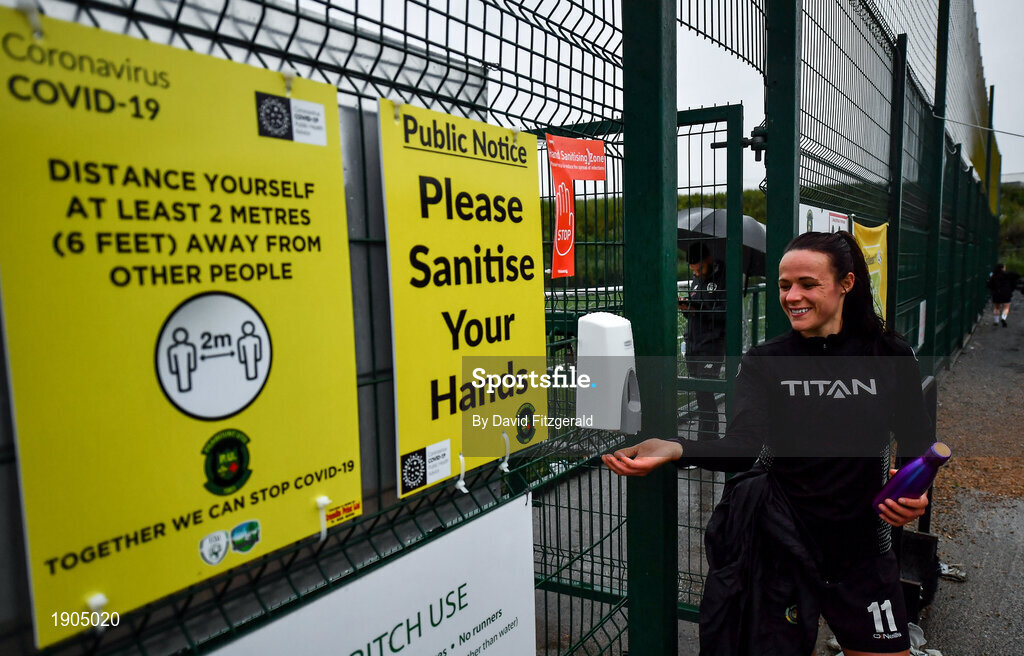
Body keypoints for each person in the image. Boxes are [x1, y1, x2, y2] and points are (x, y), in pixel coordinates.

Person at [606, 231, 931, 656]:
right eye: (784, 285)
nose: (792, 296)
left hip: (862, 553)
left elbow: (919, 439)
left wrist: (913, 487)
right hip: (784, 550)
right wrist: (677, 447)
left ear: (846, 283)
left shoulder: (889, 355)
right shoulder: (765, 360)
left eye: (808, 284)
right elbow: (742, 446)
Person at [678, 242, 726, 440]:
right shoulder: (697, 279)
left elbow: (724, 313)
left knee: (706, 394)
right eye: (693, 271)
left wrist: (697, 310)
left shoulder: (724, 276)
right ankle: (708, 443)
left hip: (712, 344)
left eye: (699, 269)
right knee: (701, 394)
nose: (696, 274)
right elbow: (697, 306)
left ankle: (706, 443)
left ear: (708, 260)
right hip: (693, 342)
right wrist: (687, 308)